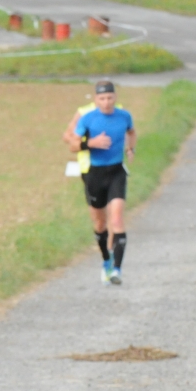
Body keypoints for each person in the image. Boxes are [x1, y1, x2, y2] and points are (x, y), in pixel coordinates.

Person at [73, 80, 137, 285]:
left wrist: (130, 148)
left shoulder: (124, 116)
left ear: (115, 97)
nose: (106, 102)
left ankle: (117, 269)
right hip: (95, 174)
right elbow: (73, 144)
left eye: (110, 97)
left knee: (117, 219)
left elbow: (132, 132)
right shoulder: (88, 118)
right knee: (100, 223)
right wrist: (90, 143)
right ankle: (106, 259)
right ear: (96, 99)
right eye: (102, 98)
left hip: (116, 171)